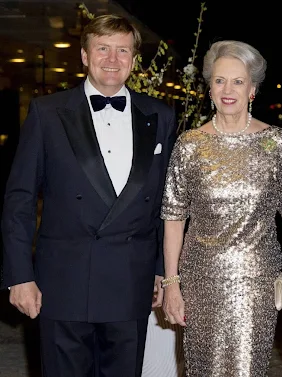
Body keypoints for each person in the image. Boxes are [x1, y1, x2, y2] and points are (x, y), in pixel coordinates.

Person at [1, 14, 177, 377]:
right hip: (63, 281)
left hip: (131, 280)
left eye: (122, 51)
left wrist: (163, 270)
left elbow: (166, 202)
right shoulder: (47, 112)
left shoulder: (159, 114)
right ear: (84, 56)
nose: (112, 60)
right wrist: (19, 275)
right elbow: (19, 199)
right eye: (103, 49)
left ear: (133, 59)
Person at [160, 40, 282, 377]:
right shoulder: (190, 144)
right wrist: (172, 284)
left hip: (257, 280)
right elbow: (174, 219)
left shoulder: (276, 142)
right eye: (219, 80)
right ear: (209, 88)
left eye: (237, 81)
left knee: (247, 368)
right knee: (203, 368)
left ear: (253, 89)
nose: (227, 89)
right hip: (199, 278)